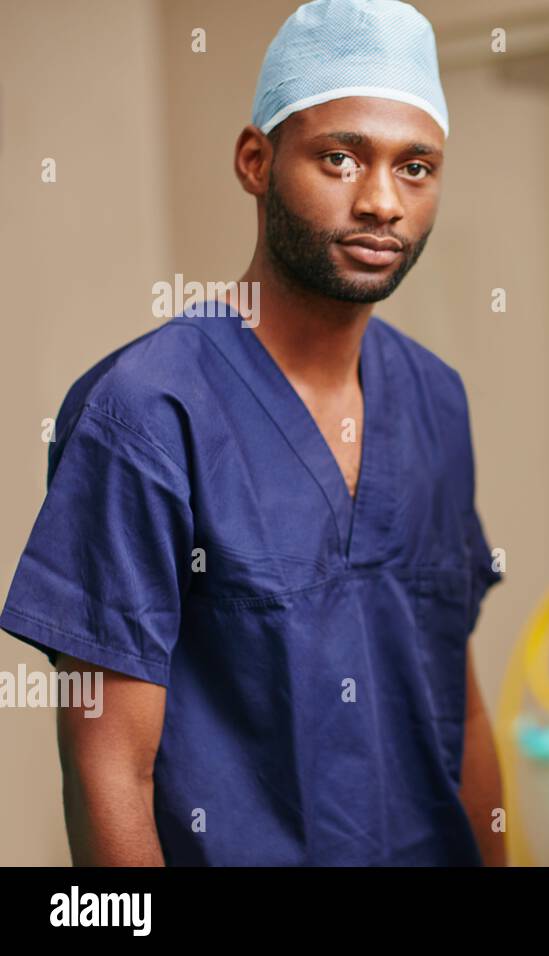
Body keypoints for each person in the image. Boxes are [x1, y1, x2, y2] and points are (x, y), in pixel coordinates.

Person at [0, 0, 503, 866]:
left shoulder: (435, 398)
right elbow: (109, 769)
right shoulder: (146, 412)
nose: (382, 202)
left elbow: (455, 696)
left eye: (415, 167)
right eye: (339, 158)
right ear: (255, 161)